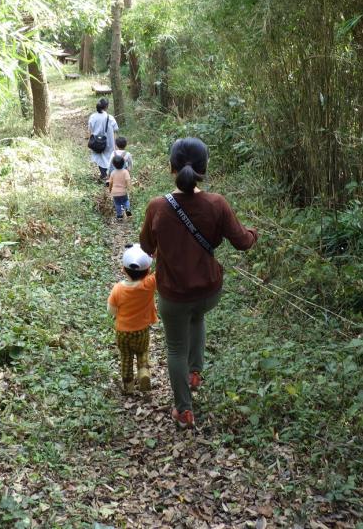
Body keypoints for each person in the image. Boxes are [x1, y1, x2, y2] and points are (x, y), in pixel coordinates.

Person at [139, 137, 257, 428]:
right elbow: (243, 242)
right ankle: (195, 373)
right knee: (197, 316)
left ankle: (183, 410)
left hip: (173, 295)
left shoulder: (157, 207)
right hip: (208, 292)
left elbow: (146, 247)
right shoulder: (217, 204)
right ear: (204, 168)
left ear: (171, 167)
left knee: (175, 348)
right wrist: (255, 233)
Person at [107, 244, 158, 394]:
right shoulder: (149, 284)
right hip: (141, 331)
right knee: (142, 352)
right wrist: (156, 254)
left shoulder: (118, 289)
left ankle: (128, 387)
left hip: (122, 332)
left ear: (123, 269)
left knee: (126, 358)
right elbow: (162, 271)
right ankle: (143, 373)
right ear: (148, 271)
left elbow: (111, 310)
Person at [88, 97, 117, 181]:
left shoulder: (93, 117)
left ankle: (104, 174)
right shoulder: (110, 118)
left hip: (97, 141)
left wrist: (90, 139)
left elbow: (90, 129)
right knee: (109, 157)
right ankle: (109, 175)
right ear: (106, 107)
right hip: (109, 142)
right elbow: (115, 130)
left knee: (100, 157)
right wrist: (115, 143)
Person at [108, 154, 132, 220]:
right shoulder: (125, 172)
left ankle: (119, 216)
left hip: (115, 192)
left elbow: (110, 183)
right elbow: (128, 181)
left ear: (113, 164)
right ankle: (128, 210)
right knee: (126, 201)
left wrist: (110, 190)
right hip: (123, 192)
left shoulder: (113, 173)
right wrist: (129, 189)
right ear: (123, 163)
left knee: (117, 204)